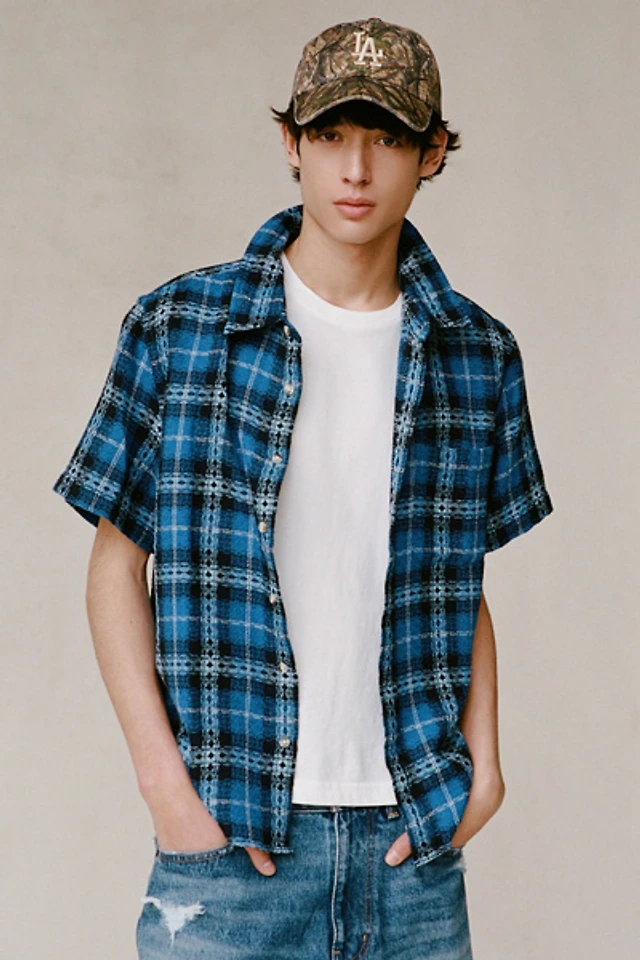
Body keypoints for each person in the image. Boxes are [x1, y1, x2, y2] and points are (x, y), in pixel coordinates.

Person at [53, 16, 553, 960]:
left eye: (387, 138)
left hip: (411, 853)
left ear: (432, 153)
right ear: (291, 143)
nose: (355, 169)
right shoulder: (179, 329)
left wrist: (485, 771)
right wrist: (165, 788)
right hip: (232, 848)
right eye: (330, 135)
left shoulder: (478, 355)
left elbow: (457, 581)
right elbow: (115, 567)